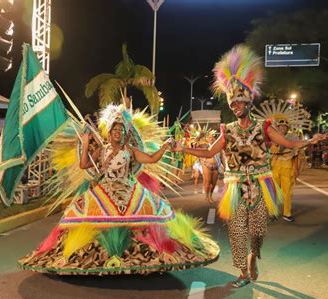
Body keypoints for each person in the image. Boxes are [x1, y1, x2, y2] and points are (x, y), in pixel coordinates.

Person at [174, 45, 326, 288]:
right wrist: (183, 149)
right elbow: (208, 152)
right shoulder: (227, 130)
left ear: (247, 103)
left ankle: (253, 256)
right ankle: (242, 273)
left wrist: (310, 140)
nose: (235, 107)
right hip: (234, 187)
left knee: (257, 233)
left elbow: (288, 142)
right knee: (236, 231)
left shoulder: (263, 127)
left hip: (260, 184)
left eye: (239, 103)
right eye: (232, 104)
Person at [18, 105, 220, 275]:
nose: (118, 132)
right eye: (115, 129)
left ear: (125, 133)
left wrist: (165, 147)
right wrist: (87, 144)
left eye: (121, 130)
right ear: (109, 132)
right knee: (77, 210)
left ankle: (144, 253)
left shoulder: (130, 150)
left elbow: (150, 159)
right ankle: (90, 254)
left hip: (128, 187)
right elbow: (83, 165)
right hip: (104, 189)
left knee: (155, 209)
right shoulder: (102, 150)